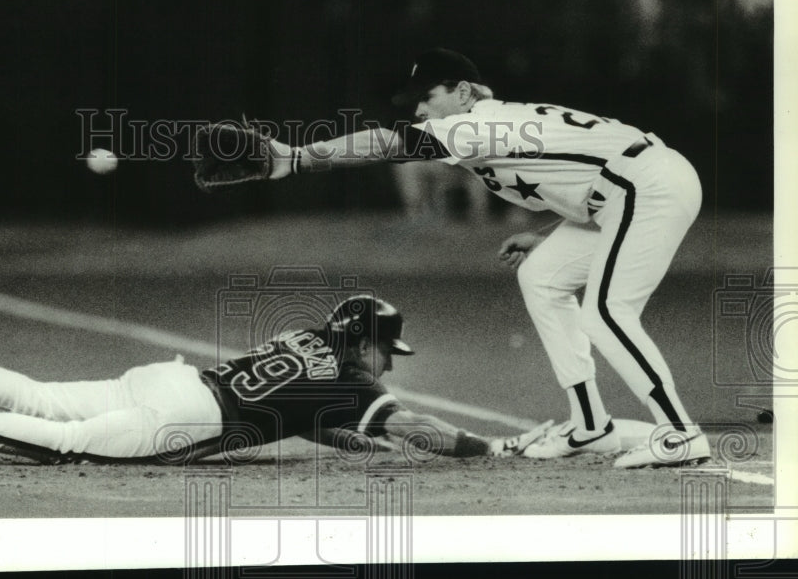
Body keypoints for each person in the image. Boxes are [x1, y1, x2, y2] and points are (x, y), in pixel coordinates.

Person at [263, 48, 711, 468]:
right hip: (624, 191)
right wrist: (547, 234)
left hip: (646, 185)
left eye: (427, 98)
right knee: (542, 274)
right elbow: (591, 174)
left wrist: (298, 158)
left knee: (607, 311)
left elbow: (384, 142)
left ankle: (680, 431)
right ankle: (590, 424)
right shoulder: (494, 125)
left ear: (463, 92)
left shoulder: (476, 124)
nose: (419, 110)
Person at [0, 295, 551, 466]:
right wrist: (487, 448)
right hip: (186, 415)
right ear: (364, 342)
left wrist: (360, 445)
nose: (390, 362)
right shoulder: (356, 384)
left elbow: (309, 417)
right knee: (66, 443)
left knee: (39, 392)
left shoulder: (302, 338)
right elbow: (417, 427)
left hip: (164, 380)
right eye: (386, 349)